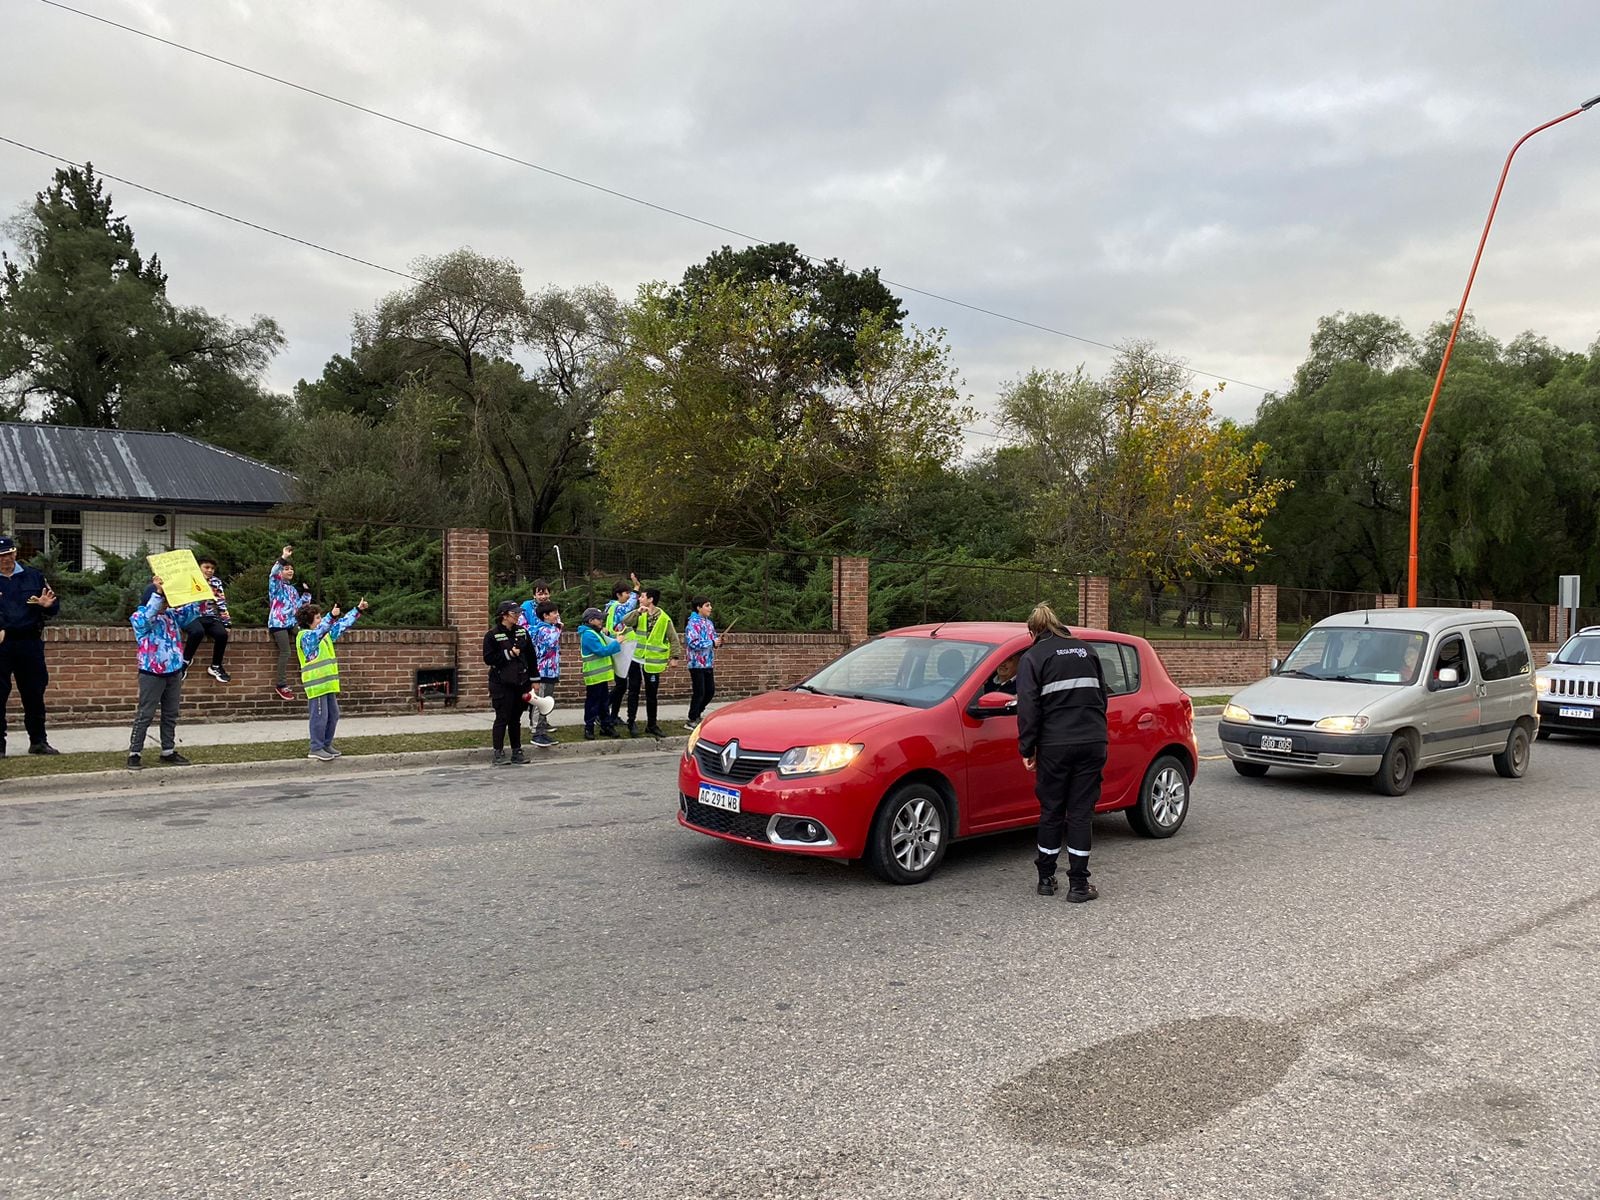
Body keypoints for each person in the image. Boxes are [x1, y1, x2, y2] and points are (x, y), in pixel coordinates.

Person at [1016, 601, 1108, 903]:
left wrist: (1027, 747)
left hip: (1055, 744)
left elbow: (1029, 708)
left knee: (1052, 810)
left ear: (1033, 631)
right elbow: (1101, 698)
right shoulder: (1087, 650)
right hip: (1092, 740)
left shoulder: (1033, 657)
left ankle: (1046, 878)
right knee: (1081, 813)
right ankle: (1079, 886)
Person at [127, 576, 202, 770]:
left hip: (173, 672)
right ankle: (134, 753)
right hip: (151, 673)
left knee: (170, 714)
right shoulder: (139, 617)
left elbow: (191, 612)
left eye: (166, 599)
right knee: (145, 714)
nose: (165, 603)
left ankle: (167, 751)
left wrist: (199, 593)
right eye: (162, 599)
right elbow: (147, 619)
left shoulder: (170, 616)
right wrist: (157, 593)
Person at [0, 534, 62, 757]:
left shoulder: (33, 577)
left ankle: (38, 741)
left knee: (34, 693)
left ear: (15, 553)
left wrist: (47, 606)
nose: (6, 559)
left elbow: (54, 607)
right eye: (1, 556)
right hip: (2, 644)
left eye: (9, 554)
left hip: (29, 642)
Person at [297, 595, 368, 761]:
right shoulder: (306, 637)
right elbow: (319, 632)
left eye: (321, 617)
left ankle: (326, 744)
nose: (320, 620)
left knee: (333, 715)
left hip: (328, 684)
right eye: (317, 617)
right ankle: (315, 747)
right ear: (308, 621)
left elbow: (341, 625)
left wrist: (357, 610)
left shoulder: (325, 635)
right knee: (319, 717)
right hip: (317, 685)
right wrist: (331, 616)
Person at [620, 587, 683, 738]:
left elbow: (673, 638)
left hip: (653, 662)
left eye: (642, 597)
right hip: (636, 658)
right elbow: (625, 621)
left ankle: (652, 724)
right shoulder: (639, 614)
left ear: (651, 599)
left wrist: (675, 657)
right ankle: (631, 722)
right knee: (633, 691)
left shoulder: (664, 619)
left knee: (652, 694)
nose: (639, 599)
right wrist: (637, 612)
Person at [484, 600, 533, 766]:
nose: (518, 616)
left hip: (521, 682)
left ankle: (517, 751)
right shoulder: (492, 635)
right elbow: (488, 658)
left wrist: (535, 679)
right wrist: (509, 654)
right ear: (504, 615)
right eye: (514, 613)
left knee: (516, 718)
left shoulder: (522, 632)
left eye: (519, 613)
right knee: (502, 717)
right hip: (501, 683)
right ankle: (498, 752)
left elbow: (531, 657)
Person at [183, 556, 233, 683]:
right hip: (192, 615)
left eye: (212, 568)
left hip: (210, 616)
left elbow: (221, 602)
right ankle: (185, 661)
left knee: (222, 634)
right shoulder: (189, 580)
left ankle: (215, 666)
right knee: (197, 632)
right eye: (206, 567)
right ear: (198, 568)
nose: (210, 570)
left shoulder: (216, 582)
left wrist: (227, 623)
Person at [267, 545, 306, 701]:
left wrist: (307, 593)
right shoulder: (276, 586)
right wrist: (283, 558)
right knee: (286, 651)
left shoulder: (292, 589)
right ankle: (281, 685)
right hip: (278, 623)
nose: (290, 571)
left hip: (291, 622)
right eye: (286, 569)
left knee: (306, 638)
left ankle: (307, 670)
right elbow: (273, 573)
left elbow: (300, 606)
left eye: (291, 569)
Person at [578, 606, 622, 740]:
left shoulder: (595, 632)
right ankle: (589, 727)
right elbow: (602, 651)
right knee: (593, 703)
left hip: (601, 676)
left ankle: (606, 725)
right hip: (594, 676)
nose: (602, 621)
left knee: (603, 702)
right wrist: (617, 644)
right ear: (591, 620)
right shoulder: (588, 635)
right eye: (599, 619)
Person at [604, 573, 641, 726]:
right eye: (626, 593)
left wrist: (636, 588)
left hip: (622, 648)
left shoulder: (610, 606)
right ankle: (604, 709)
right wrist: (636, 588)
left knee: (621, 685)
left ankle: (613, 716)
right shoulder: (618, 607)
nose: (629, 596)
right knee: (621, 685)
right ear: (619, 595)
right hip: (624, 648)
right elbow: (632, 604)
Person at [684, 595, 723, 729]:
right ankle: (692, 718)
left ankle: (697, 713)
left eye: (710, 605)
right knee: (699, 691)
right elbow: (693, 643)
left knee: (710, 691)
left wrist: (717, 642)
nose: (710, 608)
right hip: (696, 663)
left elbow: (714, 638)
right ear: (699, 608)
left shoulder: (709, 623)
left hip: (708, 662)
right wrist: (711, 642)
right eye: (707, 605)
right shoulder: (692, 623)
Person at [528, 598, 563, 748]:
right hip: (542, 672)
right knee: (540, 702)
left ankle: (542, 728)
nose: (557, 615)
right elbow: (551, 641)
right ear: (545, 616)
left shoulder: (550, 628)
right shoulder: (543, 630)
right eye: (554, 613)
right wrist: (558, 627)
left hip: (551, 672)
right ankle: (537, 731)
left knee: (546, 701)